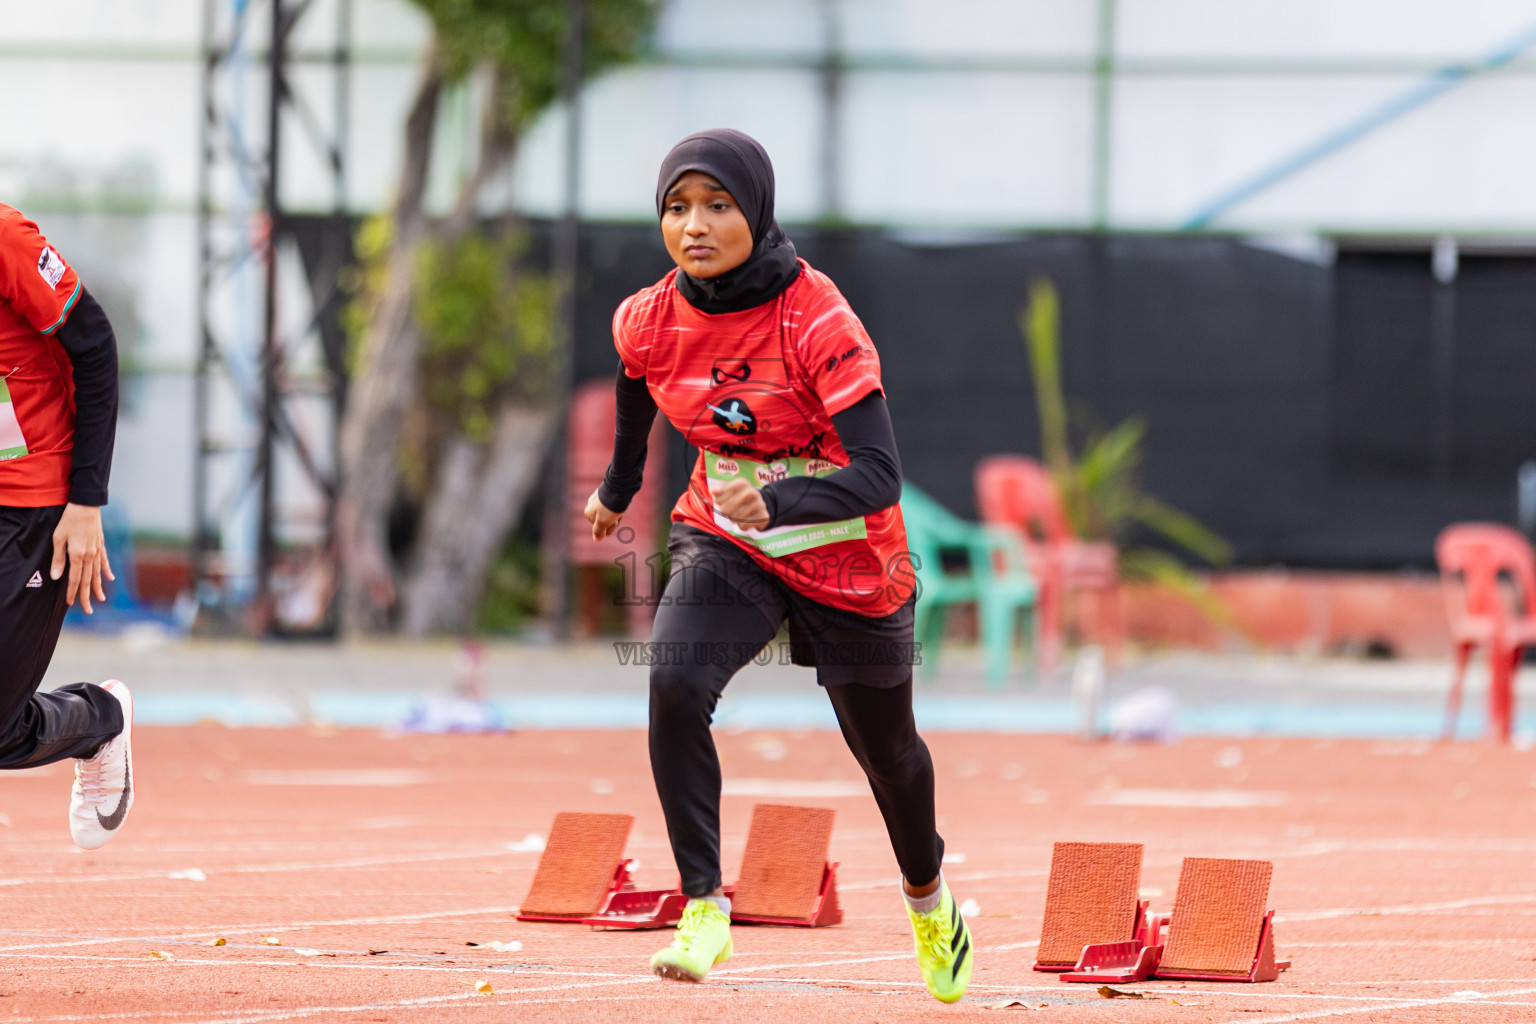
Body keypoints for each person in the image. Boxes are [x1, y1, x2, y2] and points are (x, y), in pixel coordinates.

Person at [584, 129, 972, 1003]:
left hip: (848, 557)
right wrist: (619, 485)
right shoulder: (651, 315)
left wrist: (787, 502)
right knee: (674, 682)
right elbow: (635, 382)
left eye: (717, 206)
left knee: (889, 755)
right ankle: (702, 906)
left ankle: (929, 901)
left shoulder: (817, 317)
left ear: (755, 214)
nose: (694, 226)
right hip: (727, 539)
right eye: (676, 208)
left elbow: (881, 474)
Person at [0, 203, 134, 850]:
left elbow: (96, 345)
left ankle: (100, 721)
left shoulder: (3, 237)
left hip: (30, 507)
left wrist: (86, 502)